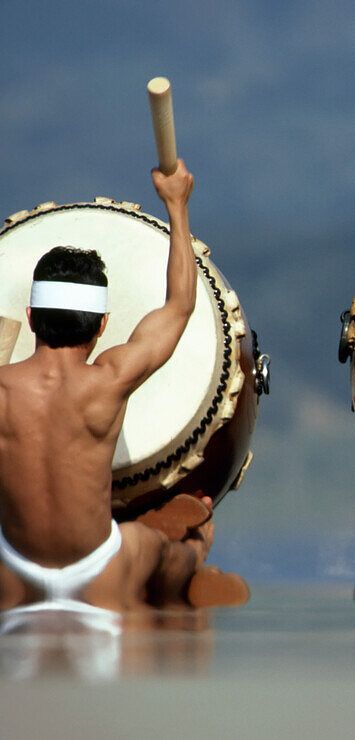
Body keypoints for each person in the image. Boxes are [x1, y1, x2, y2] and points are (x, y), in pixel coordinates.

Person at [0, 160, 247, 613]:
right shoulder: (109, 379)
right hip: (99, 569)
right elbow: (179, 306)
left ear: (31, 318)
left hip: (12, 567)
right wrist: (176, 205)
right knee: (152, 550)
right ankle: (192, 551)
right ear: (103, 326)